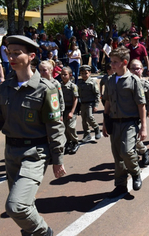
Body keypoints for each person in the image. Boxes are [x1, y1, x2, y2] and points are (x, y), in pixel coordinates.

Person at [1, 35, 66, 236]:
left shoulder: (46, 88)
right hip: (11, 153)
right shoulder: (4, 88)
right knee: (26, 204)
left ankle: (44, 232)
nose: (11, 57)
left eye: (17, 53)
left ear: (31, 56)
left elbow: (55, 127)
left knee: (16, 206)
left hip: (35, 154)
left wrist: (58, 159)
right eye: (9, 53)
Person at [102, 46, 147, 198]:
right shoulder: (110, 80)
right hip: (114, 123)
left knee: (127, 151)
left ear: (124, 62)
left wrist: (143, 127)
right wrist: (104, 122)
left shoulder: (134, 80)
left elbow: (141, 105)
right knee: (117, 156)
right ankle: (120, 185)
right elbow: (107, 101)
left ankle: (135, 172)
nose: (112, 65)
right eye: (111, 61)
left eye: (115, 62)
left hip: (130, 123)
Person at [130, 59, 149, 165]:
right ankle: (135, 156)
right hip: (127, 114)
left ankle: (144, 151)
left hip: (140, 115)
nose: (135, 71)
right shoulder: (126, 83)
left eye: (137, 68)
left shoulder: (146, 84)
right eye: (132, 69)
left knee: (136, 138)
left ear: (142, 70)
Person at [77, 65, 101, 142]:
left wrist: (96, 105)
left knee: (90, 117)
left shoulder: (92, 82)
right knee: (84, 119)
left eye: (86, 73)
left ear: (89, 73)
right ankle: (87, 134)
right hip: (82, 103)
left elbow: (97, 94)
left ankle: (96, 128)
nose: (84, 75)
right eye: (82, 73)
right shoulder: (79, 82)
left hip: (90, 103)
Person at [60, 67, 80, 154]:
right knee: (64, 128)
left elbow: (75, 99)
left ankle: (75, 142)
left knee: (71, 127)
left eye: (65, 74)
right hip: (63, 110)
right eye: (62, 74)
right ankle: (68, 143)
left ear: (70, 75)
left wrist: (72, 112)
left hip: (71, 109)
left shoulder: (73, 86)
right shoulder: (59, 86)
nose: (63, 76)